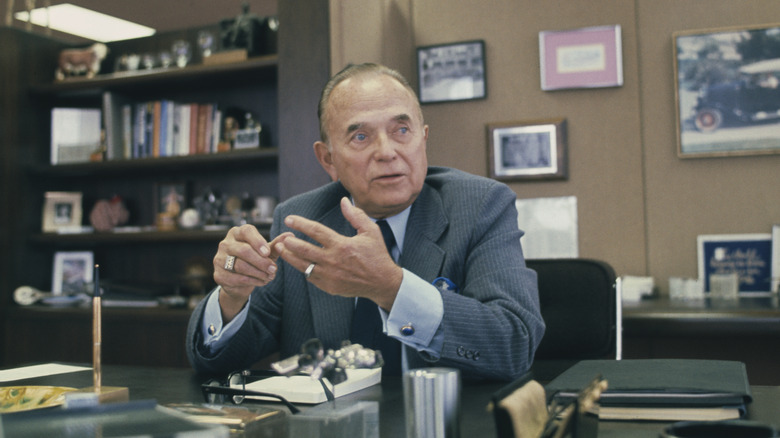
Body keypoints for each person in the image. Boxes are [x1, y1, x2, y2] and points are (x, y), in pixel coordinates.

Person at [186, 63, 544, 381]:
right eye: (361, 136)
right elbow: (220, 365)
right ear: (328, 159)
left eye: (402, 130)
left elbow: (514, 344)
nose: (387, 151)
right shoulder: (301, 221)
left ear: (424, 138)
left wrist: (391, 287)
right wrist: (232, 296)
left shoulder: (481, 205)